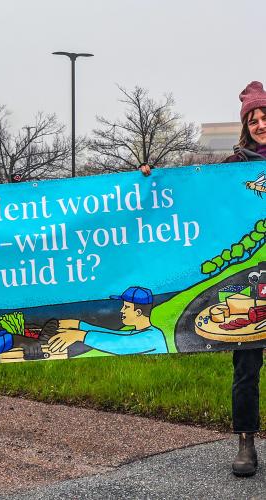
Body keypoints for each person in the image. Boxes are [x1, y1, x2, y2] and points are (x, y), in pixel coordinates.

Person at [141, 81, 266, 477]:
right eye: (254, 119)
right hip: (251, 284)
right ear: (245, 126)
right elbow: (192, 196)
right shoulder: (233, 169)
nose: (261, 124)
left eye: (265, 117)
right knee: (246, 366)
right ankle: (246, 441)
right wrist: (153, 179)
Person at [46, 286, 168, 355]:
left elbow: (119, 342)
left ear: (138, 312)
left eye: (126, 307)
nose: (122, 310)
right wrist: (78, 324)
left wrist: (80, 335)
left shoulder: (153, 336)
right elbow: (116, 335)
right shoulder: (140, 332)